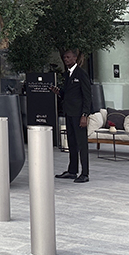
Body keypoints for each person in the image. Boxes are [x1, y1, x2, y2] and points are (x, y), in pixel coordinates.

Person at [53, 49, 93, 183]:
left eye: (68, 57)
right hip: (69, 113)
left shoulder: (81, 74)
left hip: (78, 114)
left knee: (82, 144)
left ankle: (85, 173)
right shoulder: (67, 74)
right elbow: (67, 93)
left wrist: (85, 114)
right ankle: (72, 170)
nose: (66, 59)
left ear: (75, 58)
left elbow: (87, 96)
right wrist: (58, 92)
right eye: (65, 57)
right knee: (72, 143)